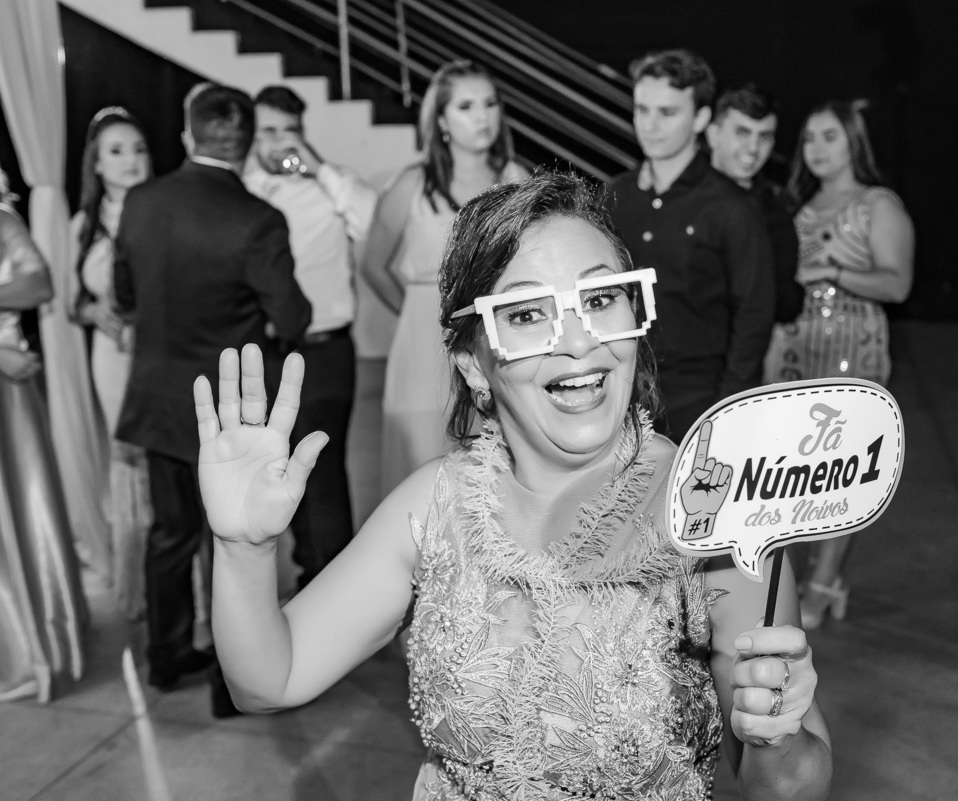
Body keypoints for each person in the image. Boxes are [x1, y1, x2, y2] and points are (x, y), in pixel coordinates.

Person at [196, 171, 832, 800]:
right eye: (527, 314)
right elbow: (270, 680)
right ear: (475, 364)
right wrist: (244, 548)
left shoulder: (716, 518)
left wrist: (776, 735)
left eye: (601, 300)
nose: (578, 342)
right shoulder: (434, 508)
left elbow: (789, 792)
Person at [113, 83, 312, 715]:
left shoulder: (141, 201)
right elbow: (294, 317)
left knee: (170, 534)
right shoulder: (258, 219)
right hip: (225, 409)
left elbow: (123, 295)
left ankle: (166, 657)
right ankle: (230, 685)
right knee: (230, 541)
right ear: (247, 145)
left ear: (187, 134)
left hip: (158, 397)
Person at [763, 100, 914, 628]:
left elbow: (897, 284)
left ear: (854, 141)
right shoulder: (797, 205)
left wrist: (831, 272)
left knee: (840, 475)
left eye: (829, 136)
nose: (816, 149)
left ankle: (825, 582)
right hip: (796, 347)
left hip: (854, 349)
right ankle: (790, 580)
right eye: (809, 138)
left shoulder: (877, 204)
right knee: (793, 472)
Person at [362, 59, 528, 495]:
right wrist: (424, 314)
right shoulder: (411, 184)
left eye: (490, 104)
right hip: (423, 339)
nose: (482, 117)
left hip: (494, 332)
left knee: (493, 456)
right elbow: (373, 265)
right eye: (466, 106)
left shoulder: (515, 180)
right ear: (441, 120)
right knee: (421, 458)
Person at [244, 85, 378, 588]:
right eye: (269, 131)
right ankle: (299, 580)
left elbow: (373, 221)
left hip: (325, 352)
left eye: (291, 130)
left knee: (322, 474)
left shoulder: (330, 184)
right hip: (263, 353)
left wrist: (319, 167)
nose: (281, 142)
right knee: (272, 472)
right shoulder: (243, 192)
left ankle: (331, 588)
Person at [606, 49, 775, 444]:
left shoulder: (731, 207)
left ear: (700, 118)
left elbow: (754, 316)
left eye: (667, 113)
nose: (649, 125)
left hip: (701, 403)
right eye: (642, 110)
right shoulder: (615, 196)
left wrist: (730, 411)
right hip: (619, 395)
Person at [0, 172, 88, 702]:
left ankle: (32, 643)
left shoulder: (2, 221)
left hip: (7, 391)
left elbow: (39, 285)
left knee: (19, 510)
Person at [69, 106, 154, 621]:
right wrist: (92, 311)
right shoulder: (84, 224)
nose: (130, 160)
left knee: (166, 460)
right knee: (127, 456)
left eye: (138, 148)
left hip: (159, 351)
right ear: (96, 164)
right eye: (116, 151)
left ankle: (183, 586)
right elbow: (69, 301)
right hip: (110, 353)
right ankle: (135, 582)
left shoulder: (163, 211)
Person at [706, 83, 802, 324]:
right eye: (742, 132)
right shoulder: (678, 196)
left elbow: (785, 305)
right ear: (713, 134)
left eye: (764, 137)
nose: (753, 148)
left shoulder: (775, 214)